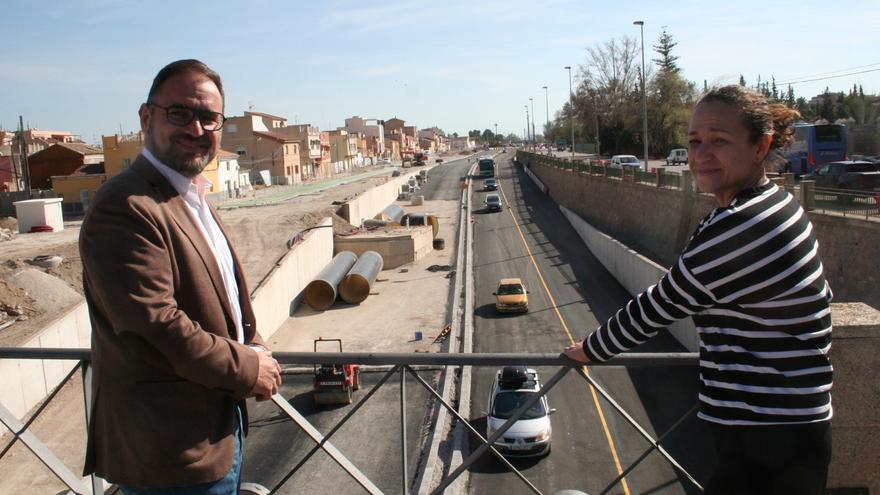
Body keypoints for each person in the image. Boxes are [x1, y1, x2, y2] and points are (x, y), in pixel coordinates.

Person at [562, 85, 832, 494]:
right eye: (694, 141)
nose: (701, 154)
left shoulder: (743, 224)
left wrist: (589, 350)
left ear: (761, 146)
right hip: (783, 427)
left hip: (768, 435)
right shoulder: (775, 203)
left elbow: (661, 304)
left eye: (719, 141)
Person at [80, 59, 282, 493]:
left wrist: (255, 343)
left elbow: (218, 297)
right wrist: (249, 367)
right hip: (169, 455)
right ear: (146, 117)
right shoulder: (127, 204)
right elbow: (155, 326)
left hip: (214, 437)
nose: (195, 128)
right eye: (180, 113)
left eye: (208, 117)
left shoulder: (188, 196)